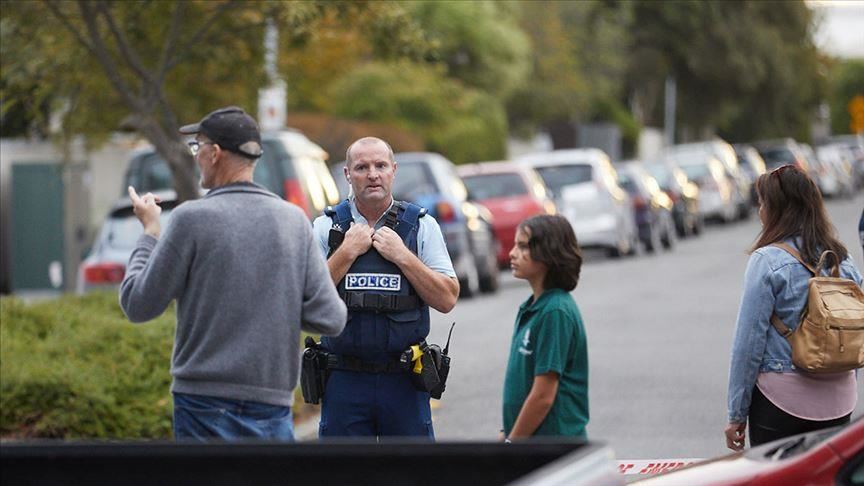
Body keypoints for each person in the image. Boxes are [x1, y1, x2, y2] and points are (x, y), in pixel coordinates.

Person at [119, 106, 347, 441]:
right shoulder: (293, 221)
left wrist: (151, 232)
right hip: (273, 404)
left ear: (215, 154)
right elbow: (331, 317)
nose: (196, 156)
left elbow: (138, 304)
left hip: (202, 406)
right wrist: (275, 304)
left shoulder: (190, 219)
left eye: (197, 147)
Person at [311, 136, 459, 438]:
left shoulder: (421, 226)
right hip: (344, 379)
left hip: (404, 379)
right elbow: (306, 300)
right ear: (348, 175)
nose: (373, 174)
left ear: (393, 170)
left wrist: (403, 256)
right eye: (362, 167)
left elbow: (446, 298)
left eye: (380, 165)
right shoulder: (325, 227)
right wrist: (346, 253)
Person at [725, 164, 862, 450]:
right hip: (839, 401)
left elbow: (748, 345)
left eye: (762, 203)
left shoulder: (767, 260)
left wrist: (737, 414)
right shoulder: (843, 260)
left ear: (776, 210)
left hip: (782, 401)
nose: (760, 211)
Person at [501, 214, 589, 441]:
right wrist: (506, 434)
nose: (512, 253)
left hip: (554, 446)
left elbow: (543, 396)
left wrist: (513, 444)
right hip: (530, 444)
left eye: (523, 246)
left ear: (549, 253)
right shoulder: (532, 308)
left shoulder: (555, 312)